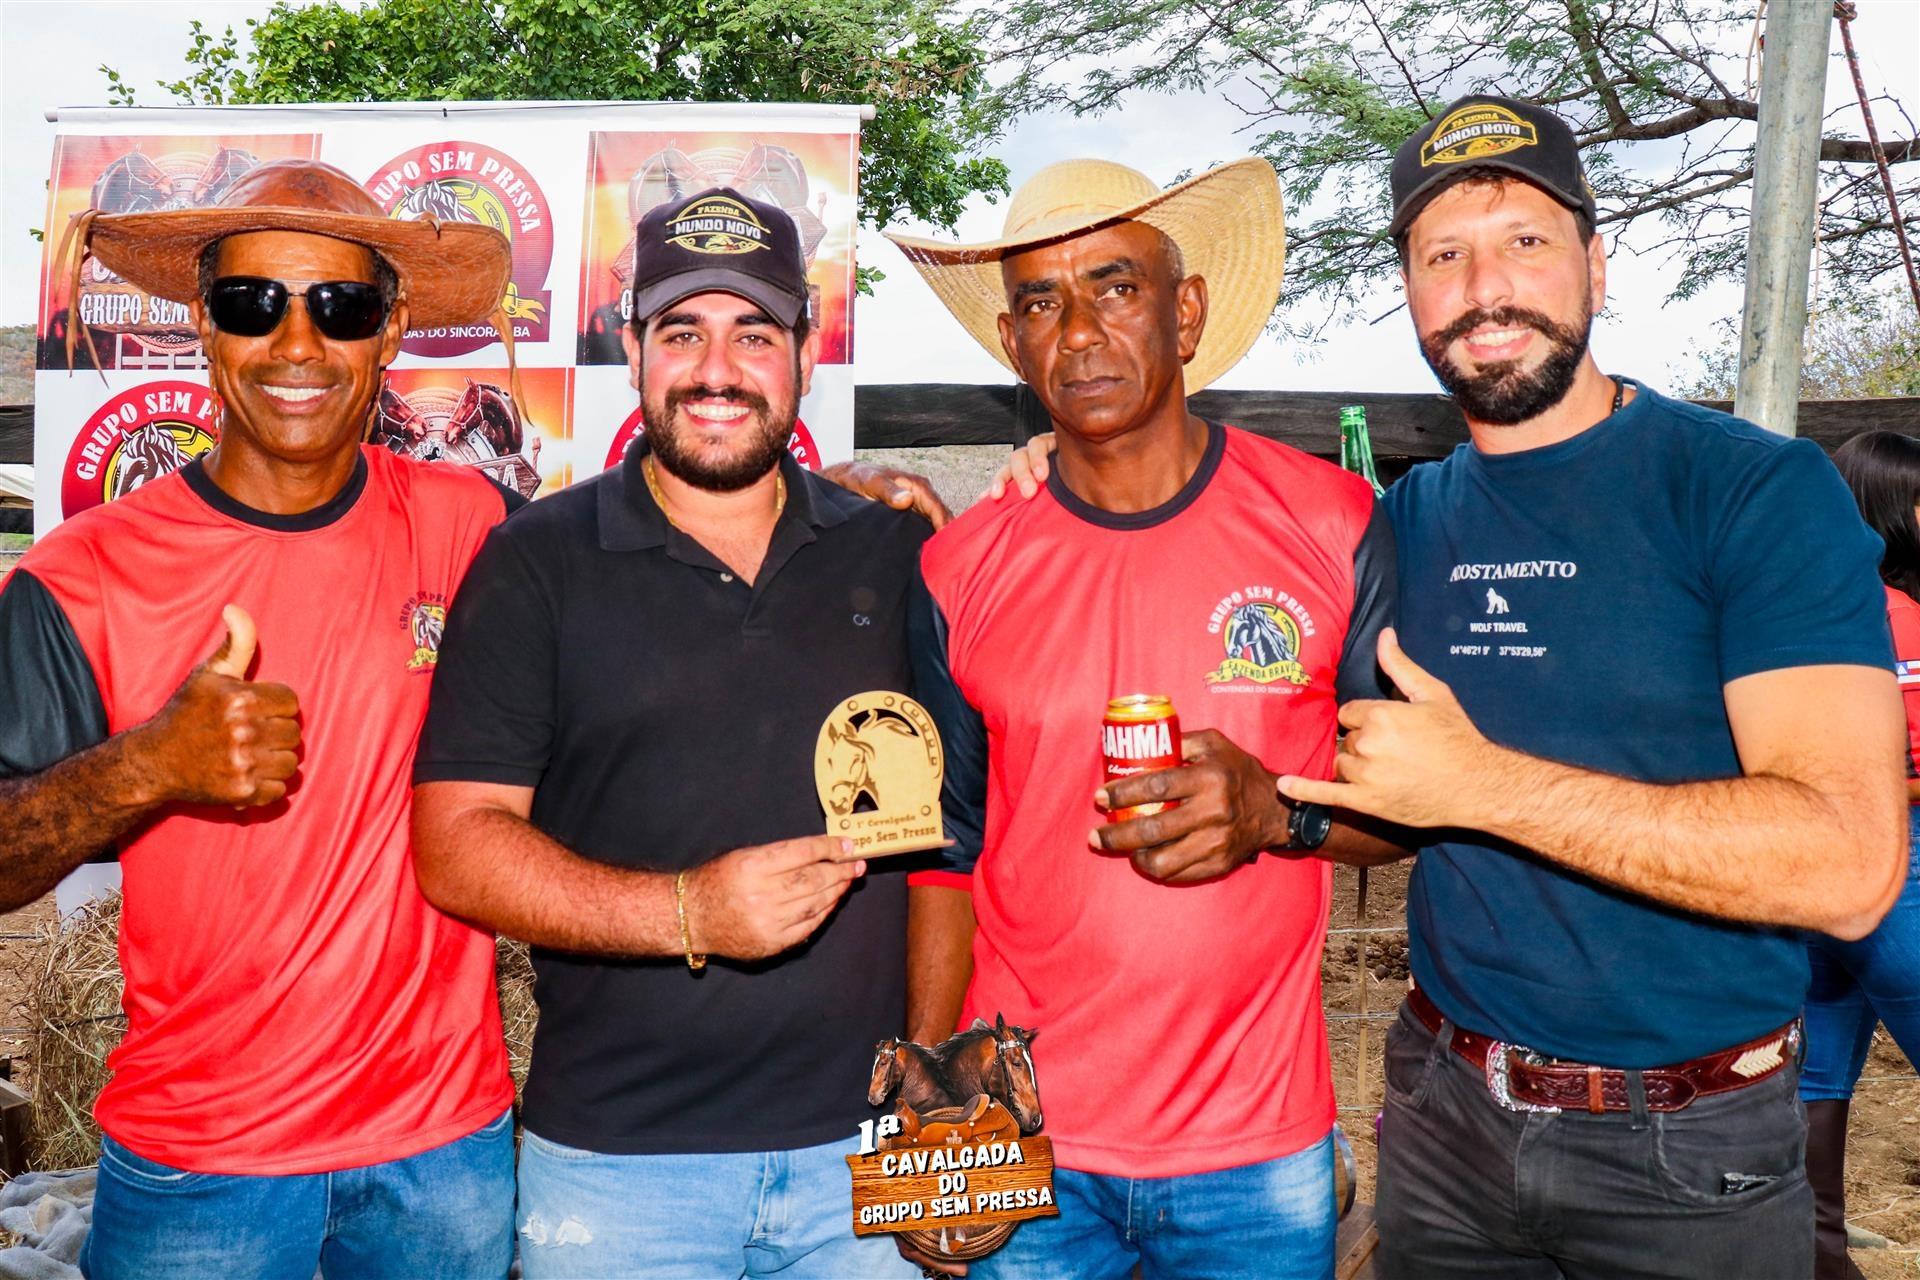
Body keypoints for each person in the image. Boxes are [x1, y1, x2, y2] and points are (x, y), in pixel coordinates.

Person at [1264, 96, 1906, 1278]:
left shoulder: (1754, 492)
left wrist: (1486, 785)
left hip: (1693, 1150)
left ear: (1596, 265)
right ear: (1409, 290)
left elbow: (1849, 861)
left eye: (1525, 240)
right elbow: (1385, 794)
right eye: (1443, 255)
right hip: (1443, 1118)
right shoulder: (1406, 521)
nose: (1485, 287)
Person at [0, 160, 524, 1278]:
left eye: (340, 306)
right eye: (252, 302)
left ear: (389, 332)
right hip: (200, 1168)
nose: (296, 343)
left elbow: (657, 570)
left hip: (444, 1154)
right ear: (203, 324)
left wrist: (843, 510)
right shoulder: (83, 574)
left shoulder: (472, 522)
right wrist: (146, 767)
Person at [885, 156, 1399, 1279]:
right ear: (1013, 343)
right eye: (1039, 303)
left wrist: (1277, 815)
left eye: (1115, 287)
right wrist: (926, 1109)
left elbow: (1413, 810)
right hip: (1018, 1136)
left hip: (1255, 1148)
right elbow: (945, 854)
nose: (1078, 332)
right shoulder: (958, 567)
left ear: (1187, 311)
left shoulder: (1330, 521)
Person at [410, 185, 924, 1279]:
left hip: (869, 1151)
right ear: (632, 347)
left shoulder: (894, 552)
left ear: (806, 354)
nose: (716, 370)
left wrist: (934, 1092)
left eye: (754, 334)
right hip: (617, 1169)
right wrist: (691, 911)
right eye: (682, 332)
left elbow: (961, 840)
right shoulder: (535, 560)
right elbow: (456, 845)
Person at [1803, 430, 1920, 1278]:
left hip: (1803, 870)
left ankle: (1819, 1260)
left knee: (1813, 1076)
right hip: (1900, 866)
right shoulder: (1902, 618)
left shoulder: (1800, 609)